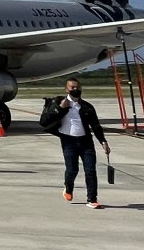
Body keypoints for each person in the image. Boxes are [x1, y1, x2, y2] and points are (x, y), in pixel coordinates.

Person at [39, 77, 110, 207]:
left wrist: (103, 141)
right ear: (67, 89)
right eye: (72, 87)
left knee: (90, 170)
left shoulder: (87, 107)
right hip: (68, 141)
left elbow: (95, 125)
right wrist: (60, 108)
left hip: (86, 142)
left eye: (78, 87)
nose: (75, 89)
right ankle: (68, 188)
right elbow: (44, 121)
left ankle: (92, 199)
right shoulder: (58, 102)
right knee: (72, 170)